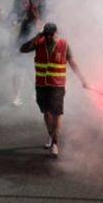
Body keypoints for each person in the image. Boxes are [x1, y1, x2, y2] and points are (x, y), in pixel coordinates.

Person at [19, 22, 88, 157]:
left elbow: (72, 62)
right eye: (46, 34)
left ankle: (55, 143)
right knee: (46, 112)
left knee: (56, 113)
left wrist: (82, 79)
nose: (48, 37)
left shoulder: (64, 44)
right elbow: (22, 49)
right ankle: (51, 135)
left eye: (50, 34)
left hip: (57, 85)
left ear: (55, 33)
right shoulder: (39, 42)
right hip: (41, 84)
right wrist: (36, 37)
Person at [8, 0, 40, 107]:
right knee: (17, 72)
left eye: (27, 2)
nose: (25, 5)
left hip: (30, 48)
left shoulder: (33, 14)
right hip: (15, 48)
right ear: (18, 4)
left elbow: (36, 31)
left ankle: (36, 91)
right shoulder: (13, 14)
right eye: (23, 3)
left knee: (31, 72)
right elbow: (8, 30)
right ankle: (17, 96)